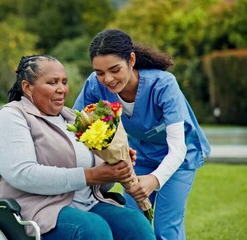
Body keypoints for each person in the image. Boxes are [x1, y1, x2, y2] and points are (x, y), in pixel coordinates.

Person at [0, 54, 155, 239]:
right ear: (27, 87)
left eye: (64, 82)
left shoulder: (74, 119)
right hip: (36, 211)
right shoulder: (13, 116)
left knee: (135, 224)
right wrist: (90, 175)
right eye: (53, 82)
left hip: (87, 204)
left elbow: (101, 187)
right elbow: (23, 174)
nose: (62, 89)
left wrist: (114, 168)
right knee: (93, 229)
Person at [73, 29, 211, 240]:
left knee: (166, 228)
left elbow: (178, 148)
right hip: (139, 155)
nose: (107, 79)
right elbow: (76, 126)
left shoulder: (163, 85)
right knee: (133, 223)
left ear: (131, 60)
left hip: (179, 158)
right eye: (100, 72)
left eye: (114, 69)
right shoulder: (94, 84)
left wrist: (154, 180)